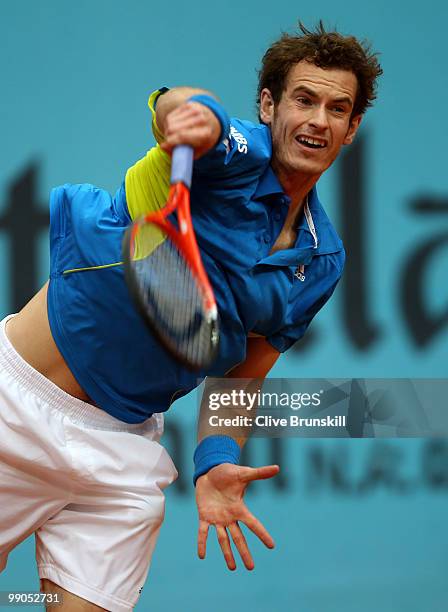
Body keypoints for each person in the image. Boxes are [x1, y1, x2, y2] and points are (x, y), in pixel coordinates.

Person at [0, 21, 382, 611]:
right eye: (303, 99)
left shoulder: (322, 261)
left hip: (121, 452)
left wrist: (217, 461)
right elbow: (186, 110)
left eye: (338, 108)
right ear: (268, 104)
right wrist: (187, 113)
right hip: (14, 413)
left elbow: (241, 378)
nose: (317, 120)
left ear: (351, 129)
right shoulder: (235, 154)